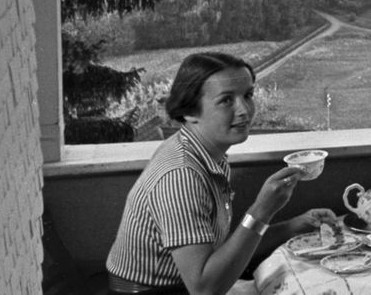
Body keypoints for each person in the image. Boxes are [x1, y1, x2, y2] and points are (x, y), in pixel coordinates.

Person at [105, 52, 336, 295]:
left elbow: (220, 253)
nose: (244, 110)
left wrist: (293, 226)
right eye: (226, 100)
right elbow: (204, 289)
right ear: (190, 111)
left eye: (247, 95)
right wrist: (262, 210)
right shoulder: (181, 175)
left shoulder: (204, 151)